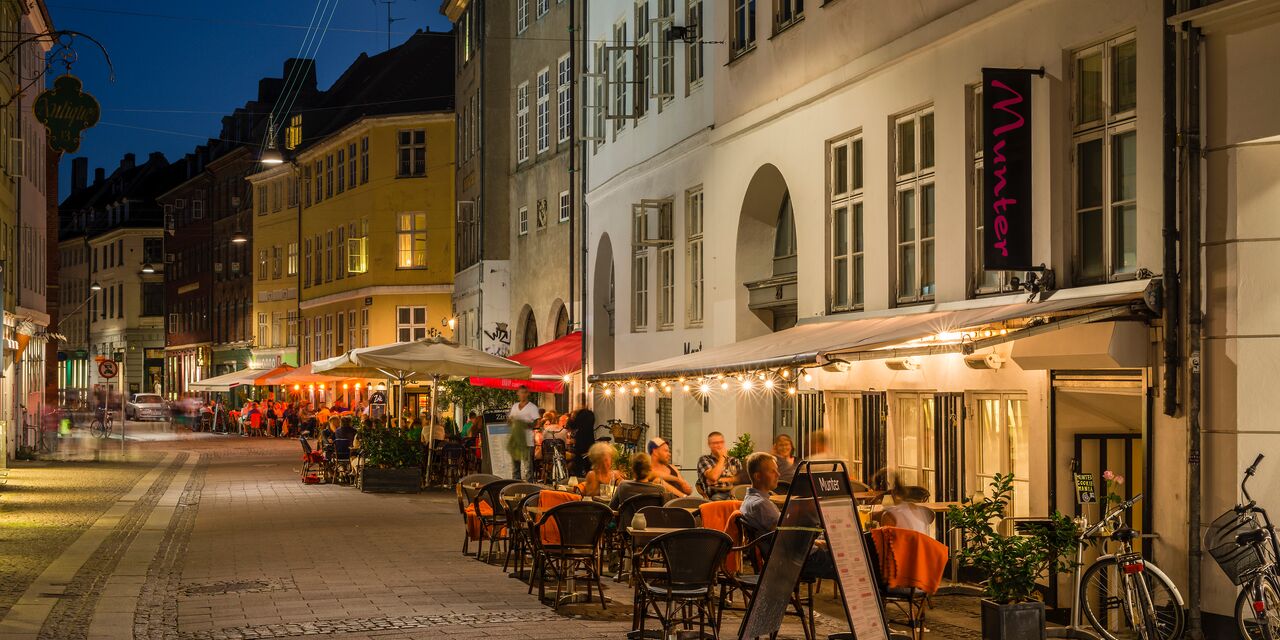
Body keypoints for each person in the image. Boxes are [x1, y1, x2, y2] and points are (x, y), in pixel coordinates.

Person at [740, 451, 836, 579]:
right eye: (772, 471)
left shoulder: (752, 500)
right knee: (849, 559)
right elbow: (787, 536)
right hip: (798, 559)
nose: (778, 474)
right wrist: (818, 542)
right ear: (758, 476)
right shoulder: (760, 504)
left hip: (794, 554)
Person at [696, 431, 743, 500]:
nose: (719, 445)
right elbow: (714, 477)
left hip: (734, 493)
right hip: (716, 494)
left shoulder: (734, 460)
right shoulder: (704, 459)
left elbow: (741, 479)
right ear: (709, 445)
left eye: (721, 442)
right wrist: (722, 457)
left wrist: (721, 480)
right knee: (717, 499)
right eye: (715, 443)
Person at [507, 386, 541, 481]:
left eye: (524, 392)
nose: (522, 395)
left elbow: (537, 423)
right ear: (517, 393)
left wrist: (523, 424)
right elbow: (510, 421)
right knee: (515, 467)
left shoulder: (532, 407)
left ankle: (529, 488)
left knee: (528, 468)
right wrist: (510, 421)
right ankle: (515, 486)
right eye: (520, 392)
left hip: (527, 441)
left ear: (528, 394)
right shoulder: (514, 406)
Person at [567, 393, 596, 478]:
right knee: (589, 464)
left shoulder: (577, 414)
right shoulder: (590, 414)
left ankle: (579, 482)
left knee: (578, 464)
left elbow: (571, 426)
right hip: (589, 441)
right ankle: (589, 480)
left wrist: (572, 417)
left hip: (580, 442)